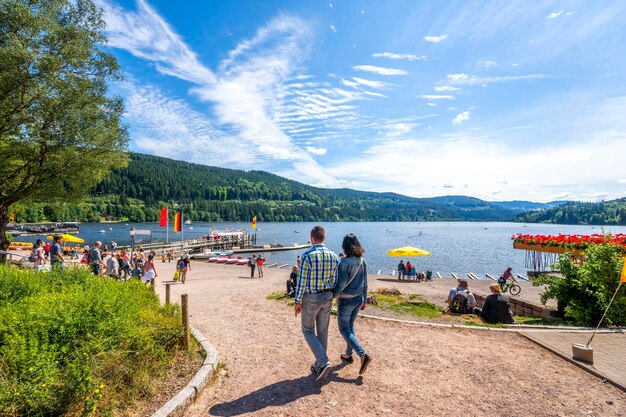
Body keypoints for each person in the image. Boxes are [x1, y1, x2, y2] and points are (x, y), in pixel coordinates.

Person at [294, 226, 339, 382]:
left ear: (311, 238)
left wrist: (297, 301)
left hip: (311, 297)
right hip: (328, 296)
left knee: (307, 331)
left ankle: (324, 361)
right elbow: (336, 280)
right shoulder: (334, 256)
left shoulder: (307, 256)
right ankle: (320, 365)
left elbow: (301, 282)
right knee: (323, 331)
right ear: (324, 238)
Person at [333, 234, 371, 375]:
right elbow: (365, 283)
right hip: (358, 298)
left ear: (345, 246)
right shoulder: (362, 261)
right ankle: (348, 355)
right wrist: (365, 299)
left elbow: (341, 285)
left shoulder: (344, 263)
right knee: (350, 326)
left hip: (346, 300)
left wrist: (331, 296)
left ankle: (363, 355)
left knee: (344, 329)